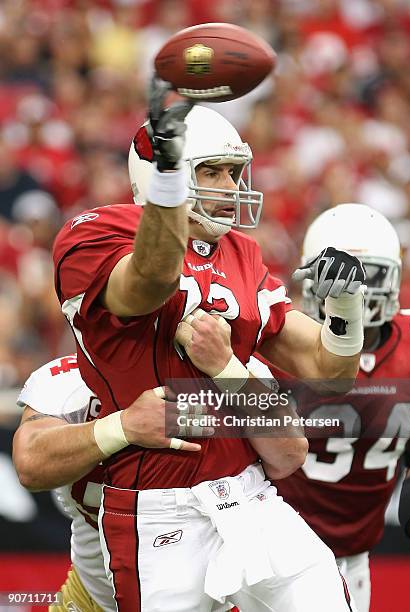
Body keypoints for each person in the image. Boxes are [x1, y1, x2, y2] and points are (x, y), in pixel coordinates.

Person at [52, 77, 364, 611]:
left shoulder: (240, 251)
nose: (229, 186)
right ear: (163, 175)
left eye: (234, 172)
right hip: (158, 506)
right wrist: (169, 188)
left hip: (249, 493)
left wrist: (345, 312)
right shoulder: (96, 233)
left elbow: (328, 368)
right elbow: (148, 281)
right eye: (211, 172)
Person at [276, 203, 410, 612]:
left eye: (366, 274)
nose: (353, 288)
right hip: (271, 547)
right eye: (337, 274)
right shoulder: (279, 343)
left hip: (352, 558)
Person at [13, 354, 214, 612]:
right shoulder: (67, 380)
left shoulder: (205, 370)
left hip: (211, 594)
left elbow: (282, 440)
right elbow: (30, 465)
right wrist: (122, 426)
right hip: (95, 595)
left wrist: (227, 368)